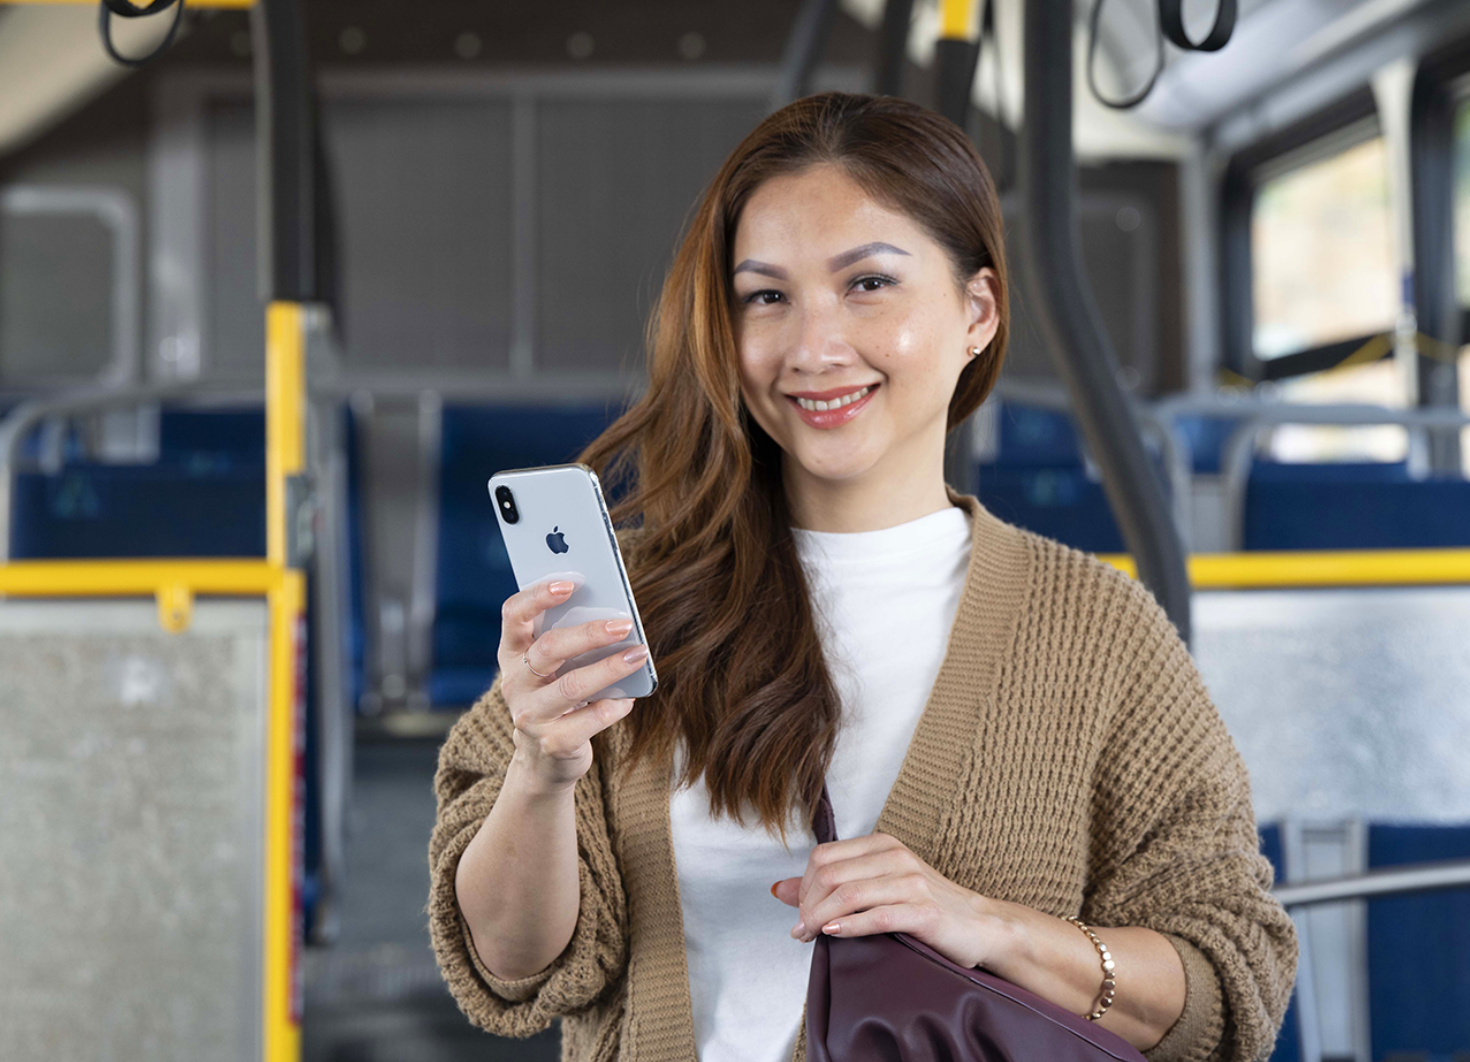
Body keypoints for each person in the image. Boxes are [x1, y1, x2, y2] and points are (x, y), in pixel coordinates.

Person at [428, 91, 1297, 1062]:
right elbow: (508, 966)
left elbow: (1230, 982)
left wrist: (989, 929)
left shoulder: (1097, 634)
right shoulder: (634, 610)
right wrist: (542, 772)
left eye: (868, 284)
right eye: (766, 296)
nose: (812, 349)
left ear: (977, 312)